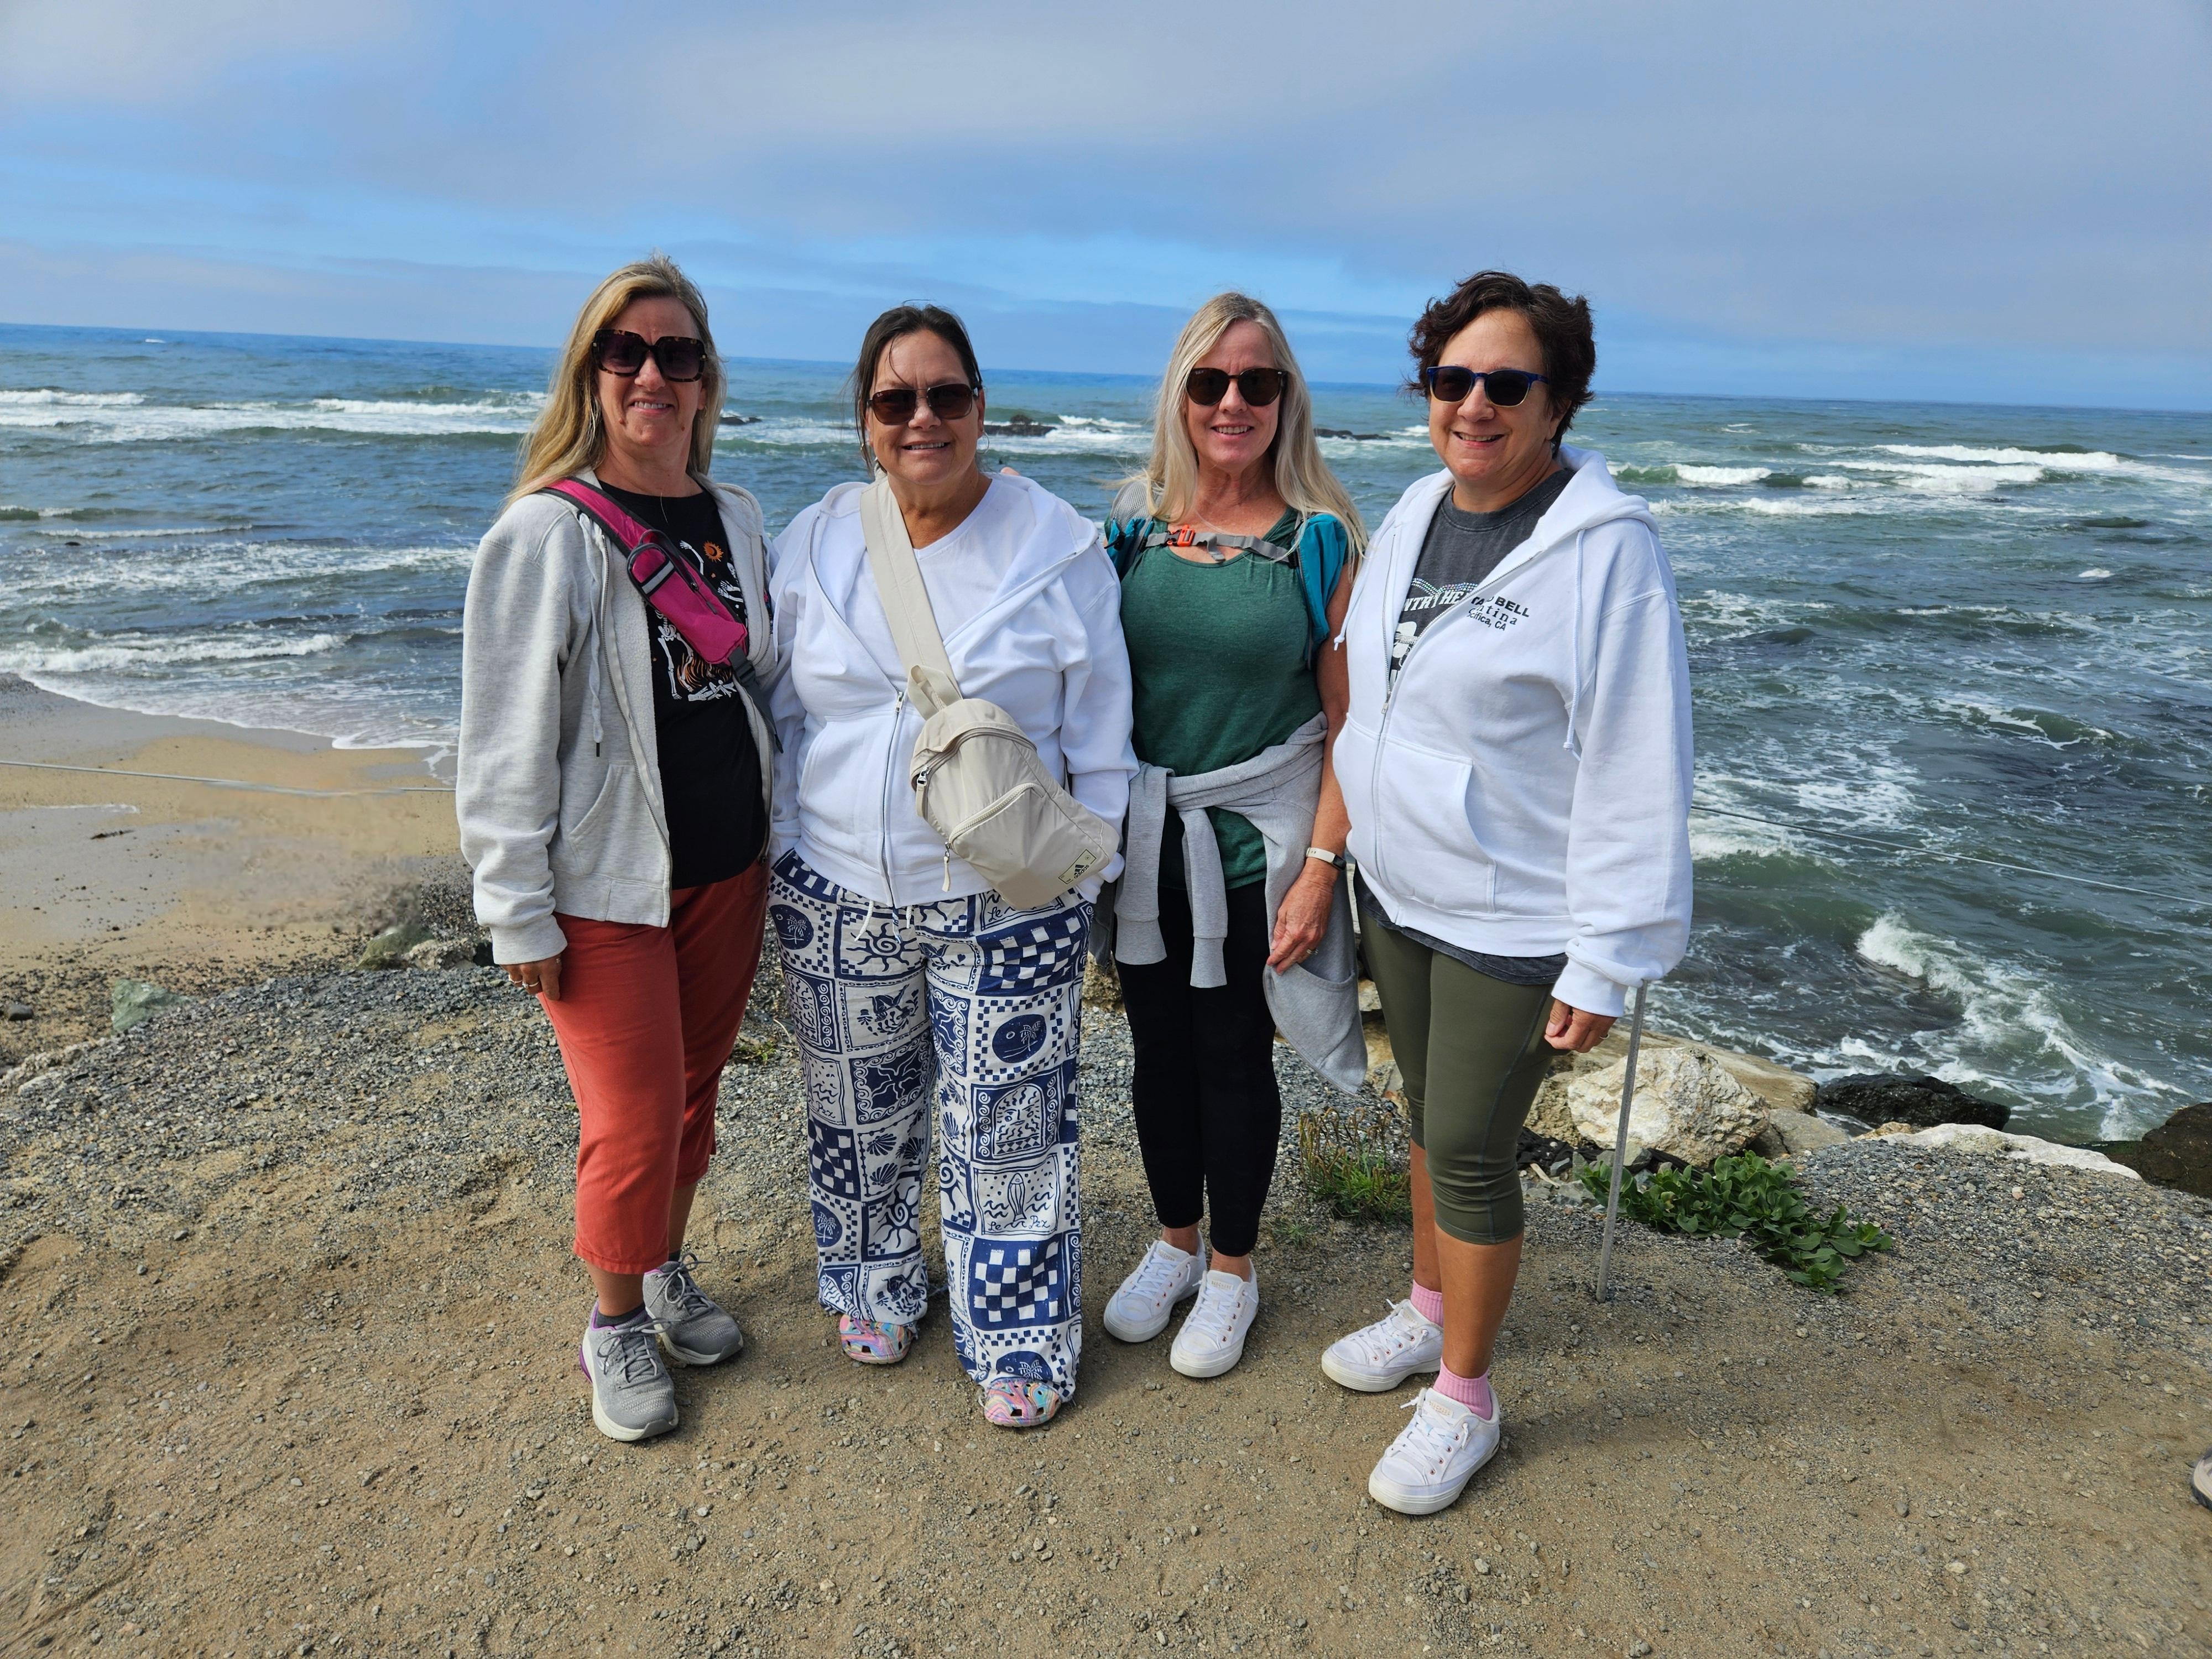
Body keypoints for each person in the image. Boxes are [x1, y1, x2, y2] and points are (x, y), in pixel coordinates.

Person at [1323, 271, 1693, 1514]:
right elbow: (1375, 693)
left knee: (1473, 1153)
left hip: (1515, 914)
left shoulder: (1606, 552)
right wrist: (1340, 852)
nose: (1472, 404)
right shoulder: (1418, 506)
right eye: (1450, 379)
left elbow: (1638, 757)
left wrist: (1609, 954)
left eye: (1505, 383)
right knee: (1428, 1123)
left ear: (1558, 400)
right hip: (1401, 888)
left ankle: (1465, 1398)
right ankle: (1429, 1308)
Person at [764, 304, 1135, 1429]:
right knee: (855, 1113)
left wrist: (1081, 883)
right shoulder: (816, 539)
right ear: (865, 419)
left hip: (1005, 900)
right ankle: (873, 1284)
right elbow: (783, 716)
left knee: (1009, 1131)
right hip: (836, 889)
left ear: (980, 406)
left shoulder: (1055, 547)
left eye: (946, 396)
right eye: (895, 400)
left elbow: (1102, 736)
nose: (921, 419)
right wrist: (786, 852)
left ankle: (1017, 1337)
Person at [458, 255, 778, 1444]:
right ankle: (614, 1322)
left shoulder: (736, 518)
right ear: (590, 375)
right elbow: (503, 736)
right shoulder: (546, 532)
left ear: (705, 379)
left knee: (692, 1101)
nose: (653, 374)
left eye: (676, 354)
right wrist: (515, 908)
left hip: (729, 866)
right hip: (606, 887)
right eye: (626, 352)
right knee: (634, 1118)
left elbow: (764, 685)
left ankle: (661, 1268)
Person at [1094, 293, 1369, 1381]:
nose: (1232, 403)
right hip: (1144, 847)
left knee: (1233, 1058)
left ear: (1286, 399)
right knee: (1155, 1053)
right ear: (1180, 397)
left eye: (1258, 383)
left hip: (1257, 854)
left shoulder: (1318, 542)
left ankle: (1232, 1269)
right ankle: (1173, 1243)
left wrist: (1321, 870)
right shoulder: (1130, 531)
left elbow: (1350, 724)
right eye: (1209, 382)